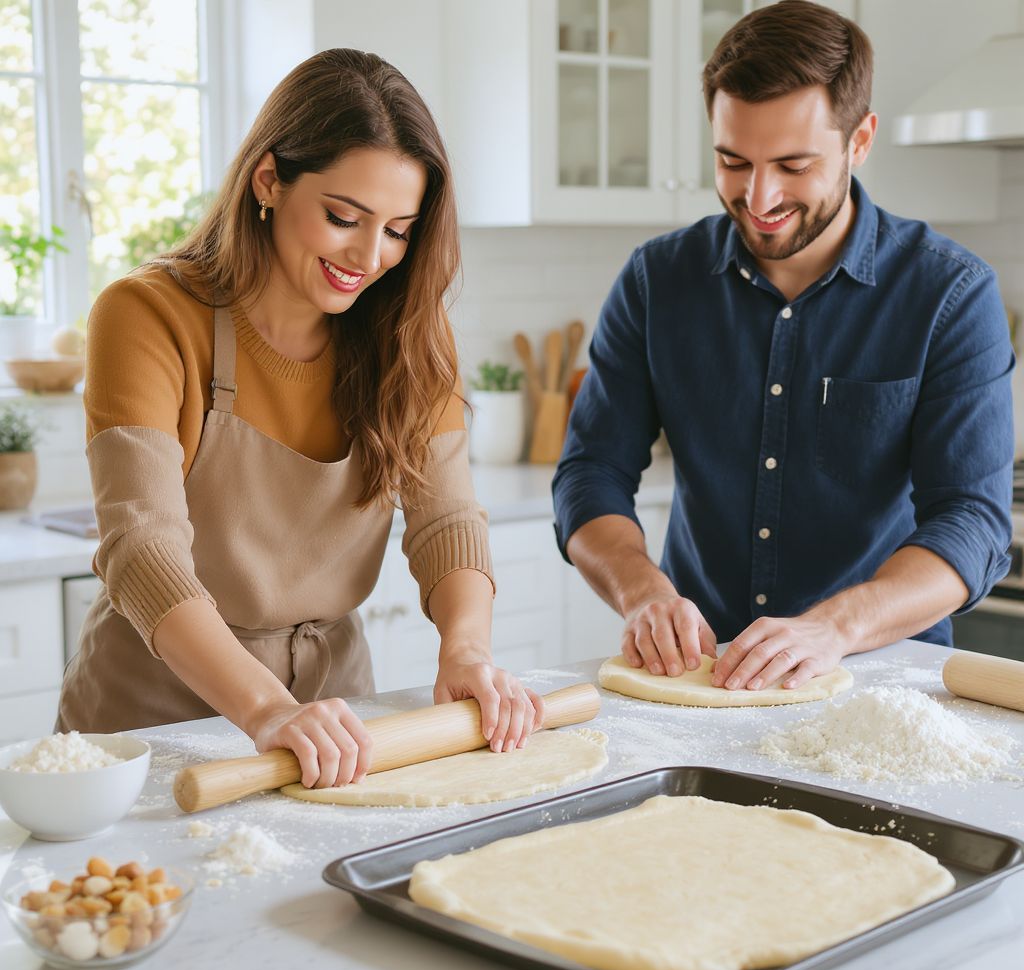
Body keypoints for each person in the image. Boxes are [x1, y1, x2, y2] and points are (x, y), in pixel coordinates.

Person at [58, 49, 543, 788]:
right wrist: (264, 709)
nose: (370, 255)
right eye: (344, 217)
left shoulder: (409, 335)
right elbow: (142, 551)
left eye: (398, 230)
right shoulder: (148, 315)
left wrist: (467, 650)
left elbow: (446, 522)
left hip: (332, 718)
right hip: (148, 729)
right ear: (269, 181)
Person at [552, 0, 1013, 693]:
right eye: (733, 161)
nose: (758, 196)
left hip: (877, 684)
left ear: (860, 142)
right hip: (699, 678)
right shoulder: (657, 282)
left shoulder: (950, 294)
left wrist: (836, 628)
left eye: (793, 166)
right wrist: (643, 593)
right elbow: (591, 475)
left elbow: (973, 523)